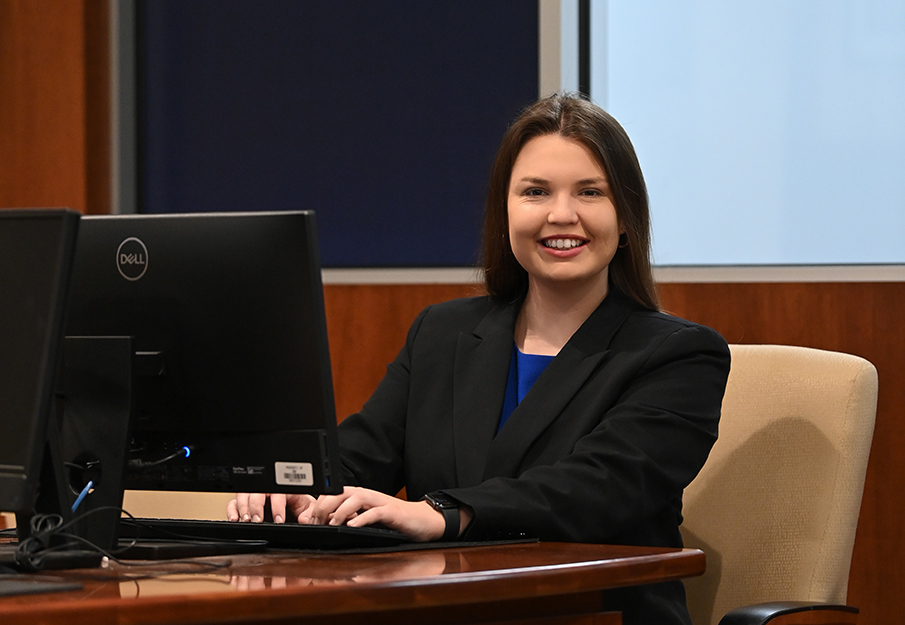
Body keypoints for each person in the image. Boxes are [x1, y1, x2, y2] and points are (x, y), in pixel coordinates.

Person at [229, 93, 730, 624]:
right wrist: (294, 488)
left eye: (590, 192)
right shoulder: (441, 333)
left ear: (626, 217)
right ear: (505, 210)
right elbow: (361, 453)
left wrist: (444, 514)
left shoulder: (680, 356)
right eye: (536, 192)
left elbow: (594, 491)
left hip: (595, 613)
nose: (563, 215)